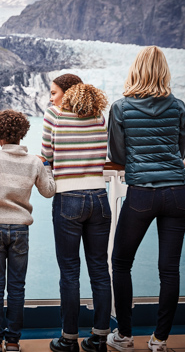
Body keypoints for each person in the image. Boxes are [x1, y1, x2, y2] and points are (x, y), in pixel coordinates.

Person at [107, 46, 185, 352]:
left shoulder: (121, 108)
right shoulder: (178, 106)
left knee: (120, 262)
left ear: (135, 70)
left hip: (142, 193)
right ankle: (159, 340)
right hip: (178, 194)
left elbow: (117, 154)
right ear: (164, 72)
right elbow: (181, 152)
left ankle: (125, 336)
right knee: (169, 269)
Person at [0, 110, 56, 352]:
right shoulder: (34, 162)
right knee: (17, 287)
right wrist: (47, 165)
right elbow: (49, 191)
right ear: (22, 134)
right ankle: (13, 342)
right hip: (21, 230)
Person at [41, 75, 112, 352]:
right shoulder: (99, 117)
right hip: (99, 197)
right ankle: (99, 338)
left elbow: (47, 154)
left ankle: (68, 338)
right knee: (99, 269)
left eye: (54, 92)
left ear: (68, 93)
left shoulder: (54, 115)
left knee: (70, 271)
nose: (51, 97)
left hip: (68, 197)